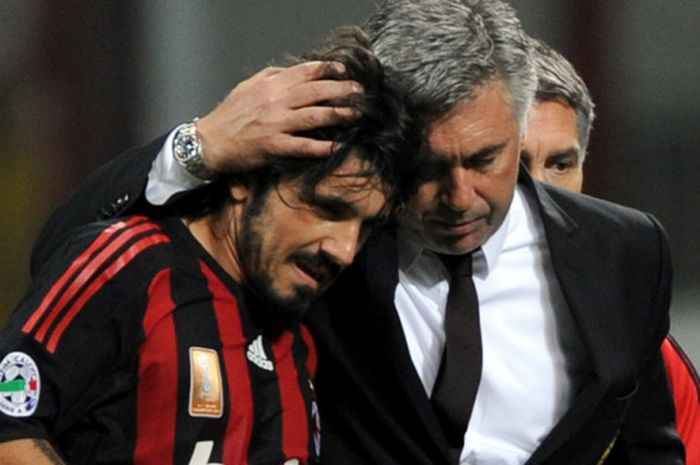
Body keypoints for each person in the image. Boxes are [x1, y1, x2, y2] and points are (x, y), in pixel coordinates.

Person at [22, 0, 686, 464]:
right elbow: (75, 253)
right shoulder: (322, 248)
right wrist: (203, 145)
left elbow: (648, 442)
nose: (459, 197)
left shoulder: (624, 251)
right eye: (426, 167)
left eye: (485, 160)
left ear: (519, 128)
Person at [0, 28, 421, 464]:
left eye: (366, 226)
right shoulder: (131, 267)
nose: (345, 249)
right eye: (328, 208)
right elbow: (7, 425)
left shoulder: (302, 341)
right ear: (247, 178)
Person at [522, 35, 699, 465]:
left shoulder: (647, 355)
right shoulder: (397, 317)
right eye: (516, 166)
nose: (541, 192)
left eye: (561, 165)